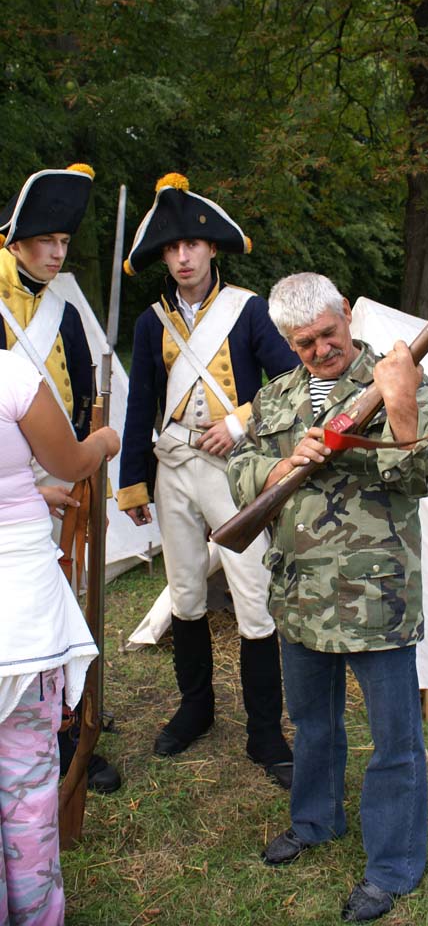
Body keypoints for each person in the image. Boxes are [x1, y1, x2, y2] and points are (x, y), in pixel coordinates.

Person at [227, 272, 428, 923]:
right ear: (286, 342)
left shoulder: (395, 377)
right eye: (303, 344)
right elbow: (238, 470)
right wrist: (278, 465)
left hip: (375, 595)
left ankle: (391, 866)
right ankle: (314, 820)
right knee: (314, 724)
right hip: (299, 594)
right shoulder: (274, 396)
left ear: (346, 316)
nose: (320, 350)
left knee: (393, 741)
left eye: (328, 334)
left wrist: (401, 403)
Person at [117, 173, 299, 787]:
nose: (183, 256)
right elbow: (141, 403)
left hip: (233, 470)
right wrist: (133, 483)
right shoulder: (151, 324)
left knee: (253, 596)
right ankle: (196, 708)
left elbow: (289, 383)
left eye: (192, 245)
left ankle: (265, 730)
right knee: (186, 591)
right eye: (171, 249)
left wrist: (241, 421)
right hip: (171, 468)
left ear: (212, 248)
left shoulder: (247, 311)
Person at [0, 163, 122, 796]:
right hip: (13, 485)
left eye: (64, 244)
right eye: (44, 241)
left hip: (62, 473)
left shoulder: (64, 311)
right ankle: (45, 737)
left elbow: (79, 398)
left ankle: (71, 724)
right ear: (14, 240)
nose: (55, 254)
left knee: (71, 603)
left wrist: (80, 468)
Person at [0, 348, 119, 925]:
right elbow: (71, 462)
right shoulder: (11, 375)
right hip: (18, 618)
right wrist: (104, 442)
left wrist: (22, 493)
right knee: (25, 793)